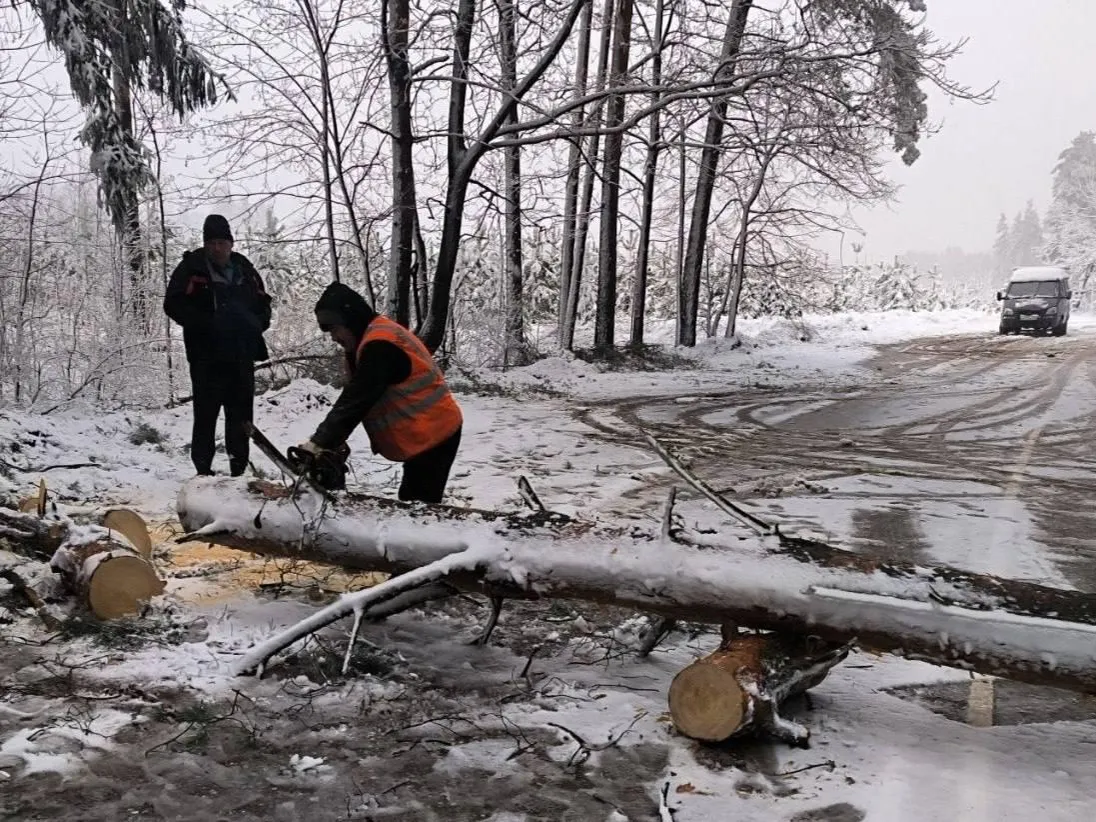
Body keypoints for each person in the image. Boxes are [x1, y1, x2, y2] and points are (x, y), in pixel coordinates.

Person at [296, 282, 462, 503]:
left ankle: (428, 537)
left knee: (418, 510)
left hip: (435, 433)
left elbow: (356, 400)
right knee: (414, 503)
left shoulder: (380, 347)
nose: (333, 338)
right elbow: (355, 399)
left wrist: (320, 442)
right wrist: (332, 440)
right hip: (426, 431)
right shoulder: (370, 340)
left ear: (351, 321)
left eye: (334, 329)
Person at [164, 214, 272, 477]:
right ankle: (203, 471)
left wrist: (257, 324)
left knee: (241, 416)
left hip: (241, 356)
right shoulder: (192, 268)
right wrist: (206, 324)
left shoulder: (244, 269)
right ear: (205, 243)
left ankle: (238, 470)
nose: (217, 248)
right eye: (211, 242)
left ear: (231, 243)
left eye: (222, 242)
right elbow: (173, 303)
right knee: (206, 415)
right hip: (206, 357)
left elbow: (263, 302)